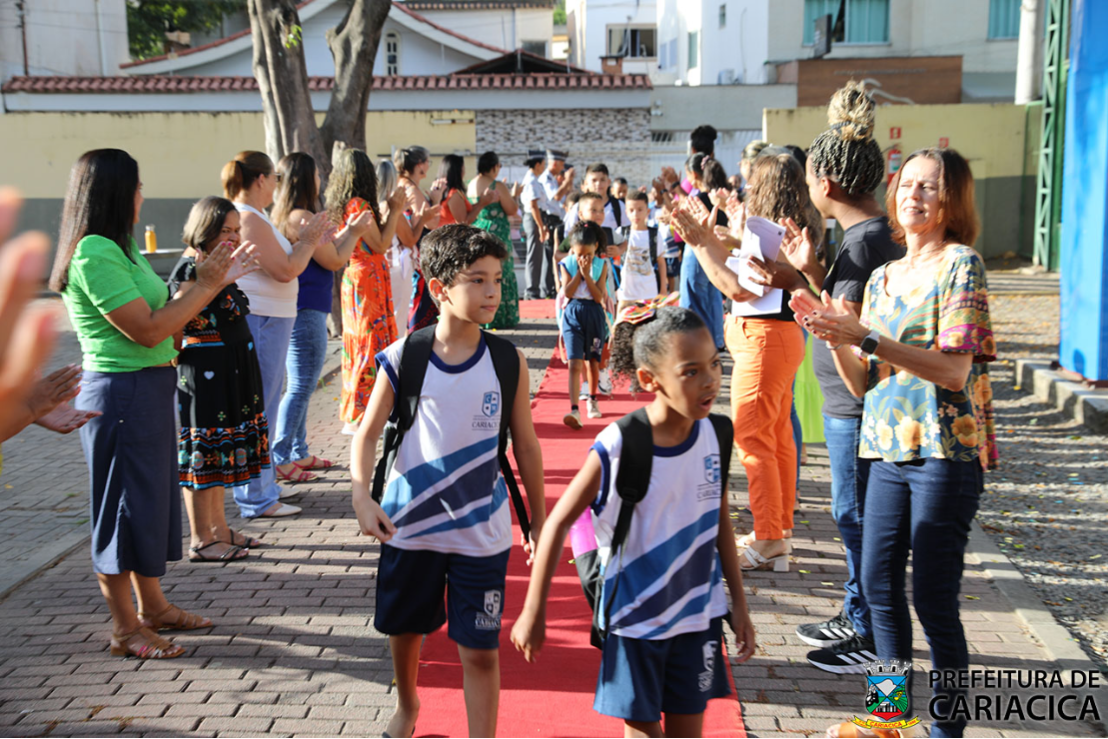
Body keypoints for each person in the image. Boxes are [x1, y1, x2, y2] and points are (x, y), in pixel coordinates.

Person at [799, 147, 996, 739]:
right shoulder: (883, 275)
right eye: (907, 184)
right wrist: (834, 333)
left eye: (929, 187)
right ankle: (888, 715)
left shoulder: (962, 265)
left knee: (933, 600)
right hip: (884, 449)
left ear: (951, 201)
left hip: (945, 453)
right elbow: (862, 384)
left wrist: (866, 336)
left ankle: (946, 731)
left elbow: (955, 371)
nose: (914, 194)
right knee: (880, 589)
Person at [511, 304, 757, 738]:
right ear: (650, 379)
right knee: (643, 730)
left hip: (698, 618)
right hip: (634, 621)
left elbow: (719, 519)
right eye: (691, 371)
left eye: (715, 365)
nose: (710, 380)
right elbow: (557, 522)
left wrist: (738, 602)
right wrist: (534, 610)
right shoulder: (621, 443)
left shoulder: (717, 433)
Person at [51, 149, 256, 658]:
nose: (143, 195)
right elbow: (147, 329)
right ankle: (125, 628)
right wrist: (207, 285)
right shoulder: (93, 252)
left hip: (149, 387)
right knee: (122, 510)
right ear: (118, 191)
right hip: (122, 392)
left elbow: (167, 313)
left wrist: (207, 286)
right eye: (138, 186)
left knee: (148, 503)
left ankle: (154, 607)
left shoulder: (119, 248)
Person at [350, 224, 547, 739]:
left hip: (481, 534)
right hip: (409, 527)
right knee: (404, 628)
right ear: (438, 288)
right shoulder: (404, 357)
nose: (491, 292)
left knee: (480, 650)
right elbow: (366, 434)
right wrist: (361, 495)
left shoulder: (508, 360)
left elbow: (525, 444)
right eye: (477, 280)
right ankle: (408, 704)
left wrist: (539, 521)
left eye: (498, 280)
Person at [752, 83, 905, 674]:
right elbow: (851, 325)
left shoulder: (863, 247)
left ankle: (868, 636)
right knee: (862, 525)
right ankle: (862, 623)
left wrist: (800, 288)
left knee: (860, 523)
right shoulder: (867, 239)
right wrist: (811, 275)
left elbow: (853, 348)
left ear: (827, 183)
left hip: (857, 410)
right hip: (863, 411)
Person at [674, 152, 821, 573]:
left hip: (765, 340)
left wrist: (701, 244)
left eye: (753, 183)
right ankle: (778, 528)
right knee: (775, 437)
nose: (745, 189)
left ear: (767, 187)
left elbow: (738, 289)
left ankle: (770, 538)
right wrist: (717, 239)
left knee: (754, 439)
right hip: (777, 340)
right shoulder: (789, 226)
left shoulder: (768, 229)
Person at [223, 150, 335, 518]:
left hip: (273, 319)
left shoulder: (255, 217)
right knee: (260, 409)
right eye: (274, 178)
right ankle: (256, 495)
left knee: (266, 405)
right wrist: (310, 239)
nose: (276, 186)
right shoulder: (248, 218)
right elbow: (286, 270)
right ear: (261, 180)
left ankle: (263, 485)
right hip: (263, 320)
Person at [169, 196, 270, 562]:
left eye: (235, 229)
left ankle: (219, 528)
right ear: (204, 231)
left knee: (222, 453)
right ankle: (201, 539)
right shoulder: (191, 267)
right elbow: (176, 322)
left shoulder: (218, 263)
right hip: (204, 374)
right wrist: (215, 281)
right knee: (203, 454)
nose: (232, 237)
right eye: (224, 230)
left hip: (231, 368)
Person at [269, 152, 374, 483]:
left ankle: (297, 450)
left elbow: (329, 251)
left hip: (304, 306)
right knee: (300, 385)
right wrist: (355, 232)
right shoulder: (302, 215)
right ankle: (281, 454)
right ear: (305, 178)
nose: (321, 178)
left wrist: (348, 232)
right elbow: (334, 260)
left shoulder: (291, 213)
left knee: (301, 383)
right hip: (306, 308)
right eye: (316, 173)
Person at [327, 148, 405, 434]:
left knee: (361, 342)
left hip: (358, 277)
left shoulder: (343, 204)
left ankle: (362, 407)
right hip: (367, 279)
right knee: (369, 342)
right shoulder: (359, 204)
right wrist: (395, 209)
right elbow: (382, 245)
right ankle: (364, 411)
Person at [559, 222, 610, 428]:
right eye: (579, 254)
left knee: (593, 361)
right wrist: (579, 272)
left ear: (595, 247)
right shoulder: (566, 264)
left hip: (594, 313)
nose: (583, 258)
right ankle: (573, 409)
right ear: (572, 249)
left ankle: (593, 398)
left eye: (588, 254)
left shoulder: (601, 265)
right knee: (574, 362)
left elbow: (599, 297)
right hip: (573, 314)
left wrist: (588, 274)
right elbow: (568, 292)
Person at [678, 153, 729, 352]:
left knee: (692, 299)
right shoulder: (722, 197)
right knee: (713, 298)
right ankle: (715, 341)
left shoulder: (698, 199)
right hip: (718, 253)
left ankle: (694, 345)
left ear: (693, 175)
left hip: (698, 253)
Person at [395, 146, 446, 333]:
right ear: (420, 166)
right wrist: (437, 199)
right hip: (415, 253)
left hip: (407, 252)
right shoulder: (411, 189)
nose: (428, 166)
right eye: (427, 162)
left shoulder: (404, 185)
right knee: (418, 300)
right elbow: (430, 222)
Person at [468, 151, 521, 330]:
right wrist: (514, 195)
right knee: (500, 272)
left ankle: (480, 315)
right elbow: (512, 209)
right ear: (494, 167)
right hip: (496, 232)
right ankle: (501, 317)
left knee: (480, 272)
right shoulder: (497, 184)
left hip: (477, 229)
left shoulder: (471, 183)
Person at [377, 159, 416, 340]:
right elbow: (410, 239)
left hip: (381, 268)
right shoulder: (391, 208)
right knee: (398, 322)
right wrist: (421, 218)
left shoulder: (372, 206)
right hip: (397, 269)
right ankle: (394, 362)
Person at [617, 191, 667, 312]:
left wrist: (663, 290)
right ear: (626, 213)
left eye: (640, 209)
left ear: (647, 211)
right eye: (631, 210)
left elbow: (661, 262)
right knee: (621, 324)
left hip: (649, 291)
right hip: (626, 293)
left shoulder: (655, 235)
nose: (636, 214)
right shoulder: (620, 233)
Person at [520, 150, 553, 300]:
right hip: (534, 217)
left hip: (537, 217)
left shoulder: (533, 179)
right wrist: (540, 226)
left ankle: (534, 289)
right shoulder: (532, 181)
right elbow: (533, 205)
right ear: (538, 164)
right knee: (534, 254)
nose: (544, 167)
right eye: (543, 164)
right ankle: (531, 290)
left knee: (537, 254)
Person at [438, 154, 496, 228]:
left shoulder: (450, 191)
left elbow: (466, 212)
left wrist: (482, 202)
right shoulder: (453, 194)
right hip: (450, 236)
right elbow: (463, 222)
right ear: (458, 170)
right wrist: (481, 204)